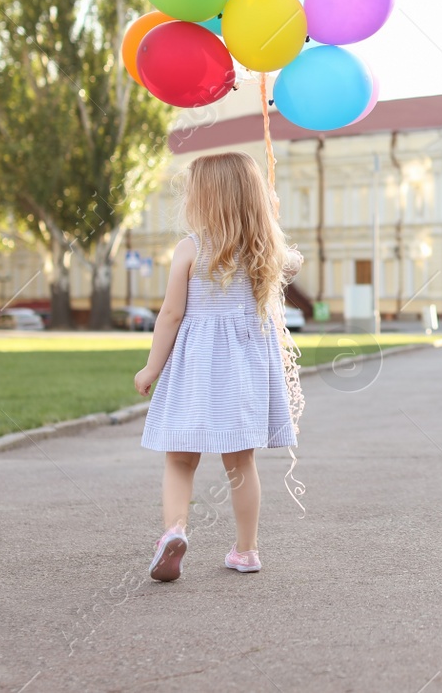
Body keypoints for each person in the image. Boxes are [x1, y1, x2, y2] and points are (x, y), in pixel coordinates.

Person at [135, 152, 304, 583]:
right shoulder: (266, 250)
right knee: (240, 464)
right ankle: (246, 550)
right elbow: (288, 263)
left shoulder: (190, 248)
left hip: (195, 368)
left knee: (180, 458)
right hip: (243, 374)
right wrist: (270, 218)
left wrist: (151, 368)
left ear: (203, 199)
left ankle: (174, 531)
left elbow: (171, 315)